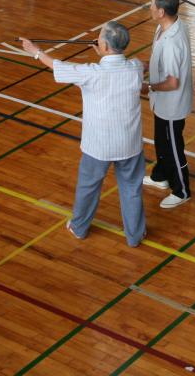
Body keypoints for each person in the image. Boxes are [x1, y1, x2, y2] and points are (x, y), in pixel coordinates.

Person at [20, 23, 146, 246]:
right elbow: (137, 65)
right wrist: (106, 54)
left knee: (89, 187)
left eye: (99, 39)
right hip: (129, 143)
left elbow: (58, 66)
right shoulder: (135, 67)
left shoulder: (90, 73)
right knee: (131, 189)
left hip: (98, 145)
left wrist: (35, 51)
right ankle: (135, 236)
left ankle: (79, 227)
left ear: (105, 45)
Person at [142, 0, 193, 209]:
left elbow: (173, 82)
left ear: (161, 11)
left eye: (152, 5)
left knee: (173, 148)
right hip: (161, 102)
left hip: (172, 104)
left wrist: (148, 87)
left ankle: (182, 190)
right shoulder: (164, 27)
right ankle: (160, 175)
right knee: (162, 142)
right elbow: (159, 62)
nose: (150, 7)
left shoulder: (173, 41)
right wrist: (143, 66)